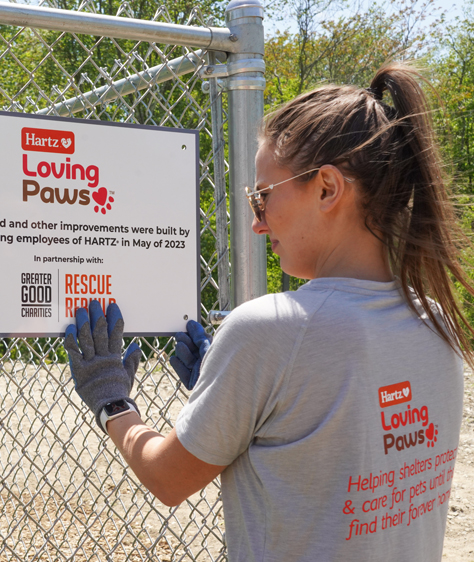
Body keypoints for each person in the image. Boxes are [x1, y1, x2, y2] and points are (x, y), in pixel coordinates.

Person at [64, 62, 469, 560]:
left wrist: (112, 400)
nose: (258, 224)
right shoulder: (437, 318)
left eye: (262, 198)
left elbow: (168, 479)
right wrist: (247, 394)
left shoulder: (272, 331)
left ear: (326, 188)